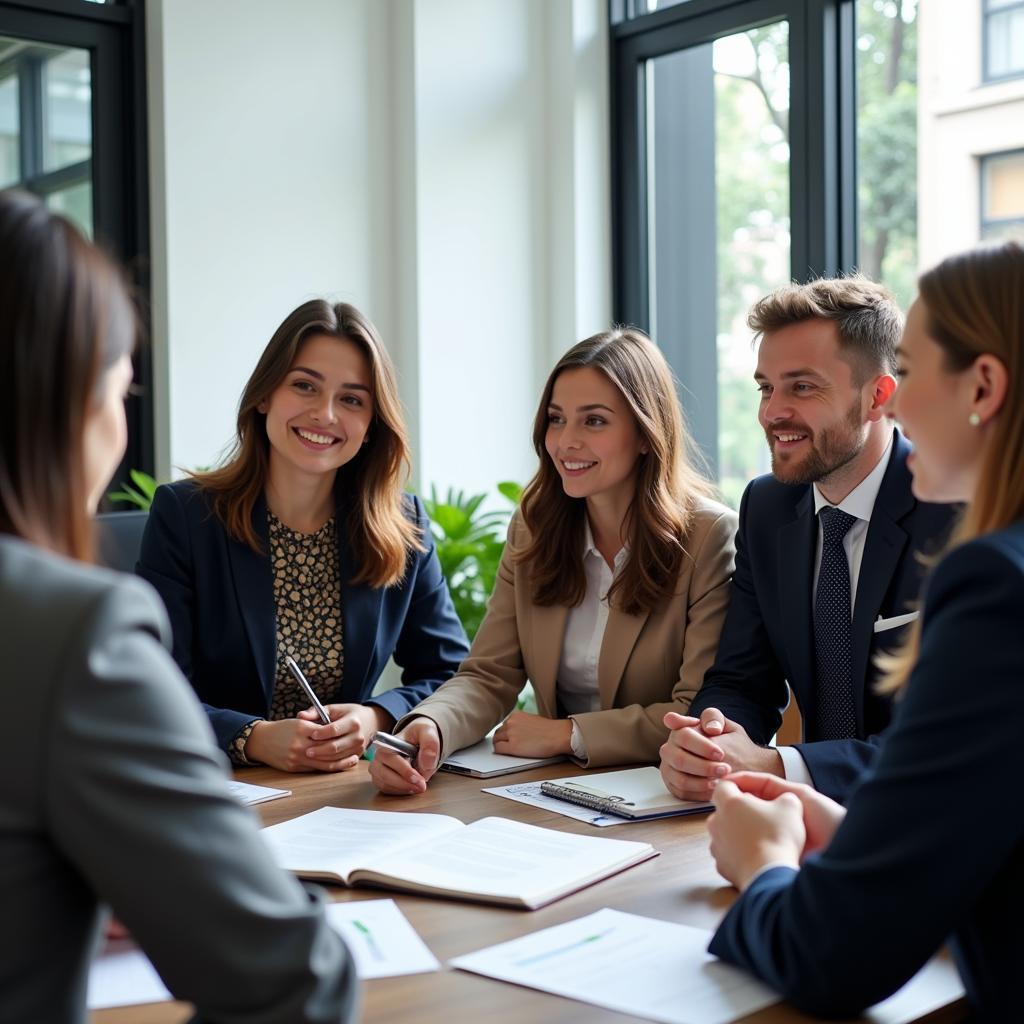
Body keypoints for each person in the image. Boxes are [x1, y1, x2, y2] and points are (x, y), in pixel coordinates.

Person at [0, 190, 356, 1021]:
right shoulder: (70, 632)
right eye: (120, 393)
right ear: (67, 405)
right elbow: (292, 981)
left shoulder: (393, 526)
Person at [705, 241, 1024, 1022]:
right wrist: (860, 831)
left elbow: (831, 954)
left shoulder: (993, 585)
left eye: (909, 375)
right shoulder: (770, 506)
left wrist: (764, 862)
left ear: (983, 385)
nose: (901, 408)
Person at [369, 328, 737, 795]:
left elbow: (695, 710)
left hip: (662, 795)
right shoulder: (535, 525)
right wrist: (431, 727)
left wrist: (570, 733)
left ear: (647, 435)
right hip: (552, 791)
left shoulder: (708, 536)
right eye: (557, 419)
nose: (565, 442)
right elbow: (489, 674)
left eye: (595, 421)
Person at [659, 277, 957, 804]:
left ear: (878, 398)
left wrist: (778, 762)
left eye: (802, 386)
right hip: (810, 820)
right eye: (765, 387)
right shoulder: (766, 508)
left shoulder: (956, 513)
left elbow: (945, 742)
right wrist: (710, 739)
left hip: (928, 816)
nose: (772, 413)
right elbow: (742, 678)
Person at [138, 300, 469, 772]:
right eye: (304, 386)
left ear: (372, 424)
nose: (325, 414)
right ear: (264, 395)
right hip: (220, 787)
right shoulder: (186, 517)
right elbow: (153, 687)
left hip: (341, 792)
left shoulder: (402, 523)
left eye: (352, 399)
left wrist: (376, 715)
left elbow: (451, 673)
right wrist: (252, 738)